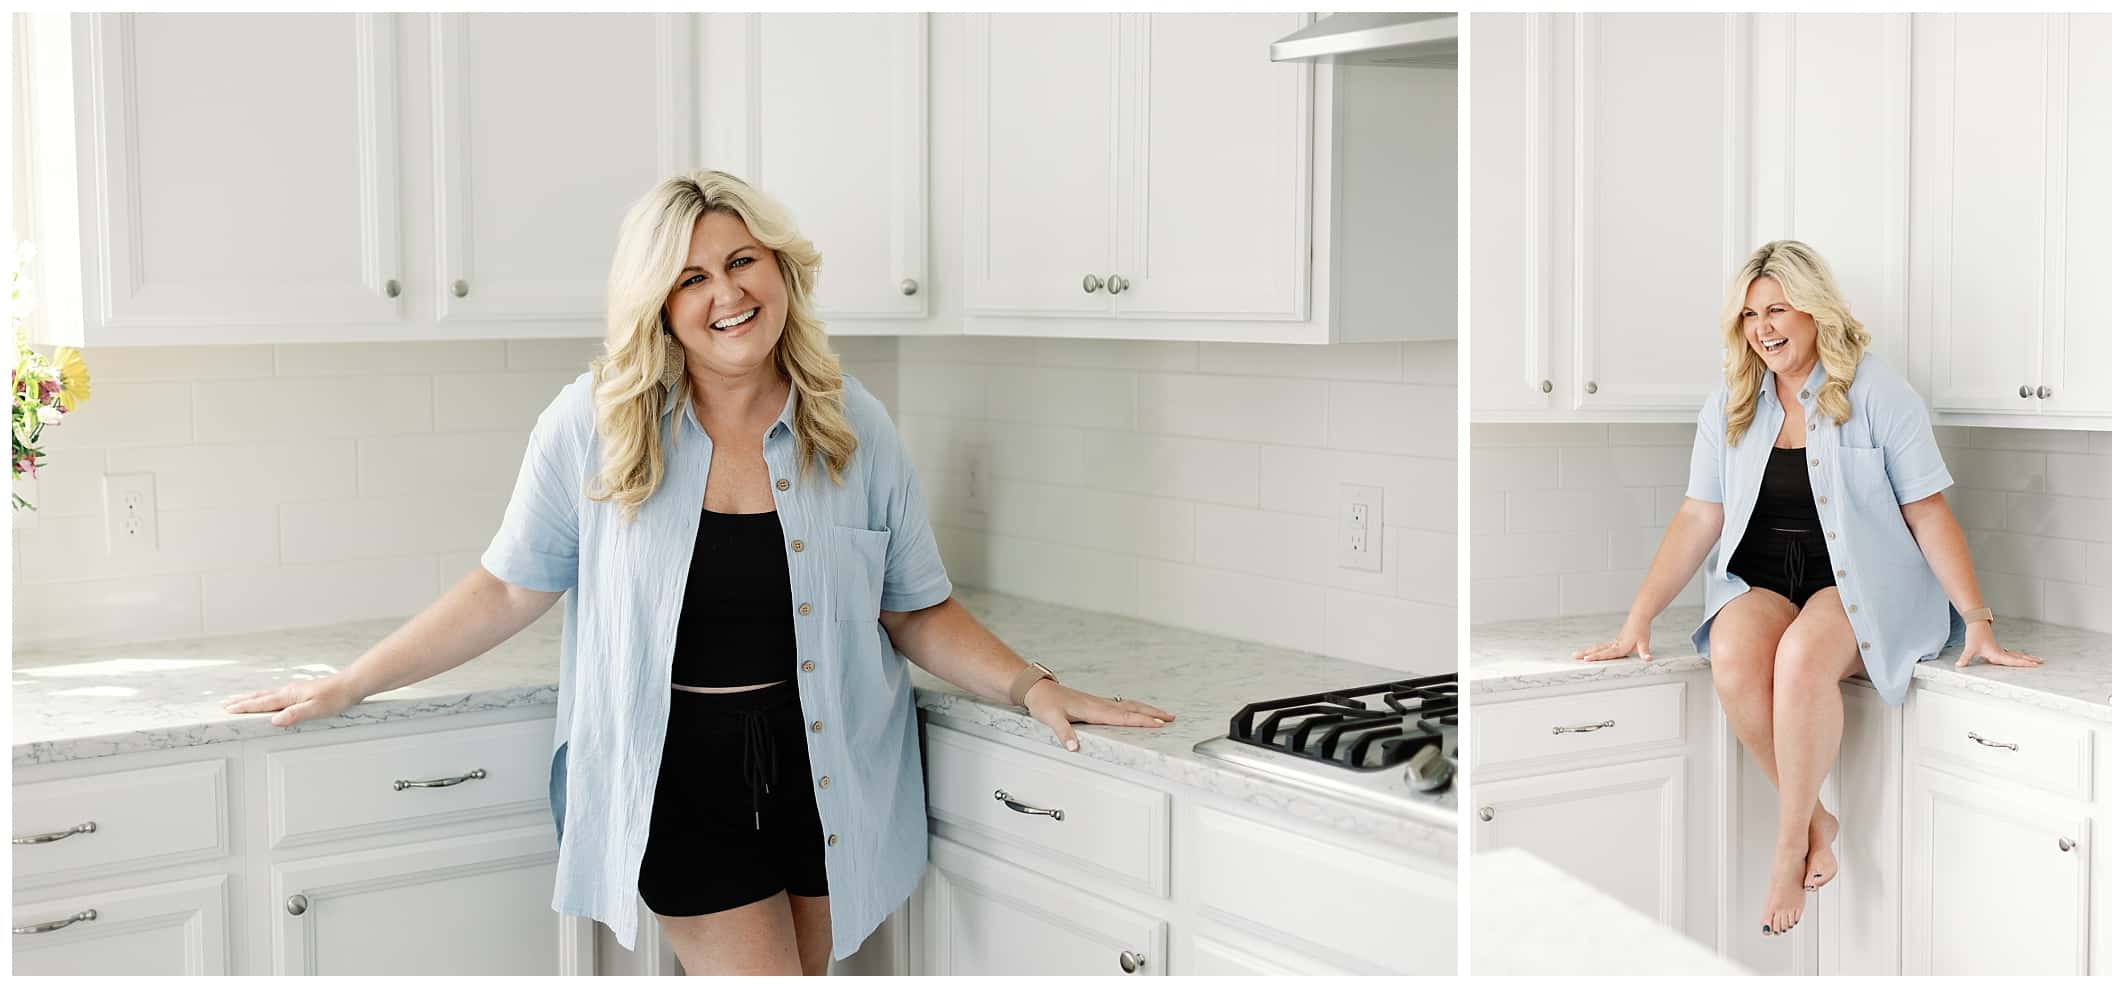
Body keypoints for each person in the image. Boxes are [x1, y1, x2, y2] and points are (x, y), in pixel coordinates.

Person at [220, 170, 1175, 975]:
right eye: (691, 278)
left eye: (741, 262)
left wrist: (1033, 686)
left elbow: (915, 610)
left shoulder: (853, 427)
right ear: (661, 307)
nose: (727, 294)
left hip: (826, 762)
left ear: (781, 271)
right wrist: (350, 682)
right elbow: (508, 587)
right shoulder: (595, 422)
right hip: (672, 767)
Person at [1570, 240, 2042, 938]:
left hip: (1858, 587)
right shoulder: (1733, 400)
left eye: (1778, 309)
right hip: (1764, 578)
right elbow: (1700, 516)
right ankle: (1818, 816)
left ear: (1815, 310)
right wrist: (1637, 620)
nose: (1763, 327)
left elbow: (1928, 511)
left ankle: (1788, 844)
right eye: (1750, 314)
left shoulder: (1878, 391)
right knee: (1731, 656)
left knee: (1799, 660)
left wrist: (1976, 619)